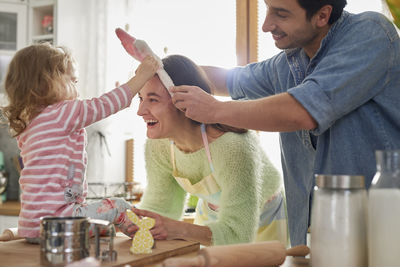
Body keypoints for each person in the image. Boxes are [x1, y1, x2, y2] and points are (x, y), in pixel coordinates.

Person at [170, 0, 400, 246]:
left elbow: (303, 110)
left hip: (379, 236)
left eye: (280, 14)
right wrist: (161, 71)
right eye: (268, 9)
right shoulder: (287, 63)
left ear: (322, 15)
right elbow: (228, 80)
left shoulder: (370, 34)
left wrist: (215, 110)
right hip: (312, 239)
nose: (266, 25)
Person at [1, 43, 159, 242]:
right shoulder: (62, 112)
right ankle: (146, 238)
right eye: (73, 82)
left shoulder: (28, 123)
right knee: (117, 206)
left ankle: (111, 232)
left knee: (98, 220)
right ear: (47, 82)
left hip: (31, 227)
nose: (77, 90)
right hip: (60, 222)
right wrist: (141, 77)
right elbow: (104, 104)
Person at [133, 54, 288, 246]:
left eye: (153, 99)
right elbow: (161, 208)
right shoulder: (159, 145)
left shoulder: (233, 148)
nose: (140, 111)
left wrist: (177, 229)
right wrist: (128, 223)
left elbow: (237, 234)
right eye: (140, 98)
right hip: (211, 214)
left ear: (183, 101)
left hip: (262, 221)